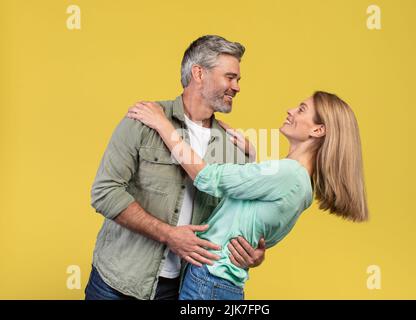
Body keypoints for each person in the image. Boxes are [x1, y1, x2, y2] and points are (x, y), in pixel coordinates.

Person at [126, 90, 370, 300]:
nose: (291, 110)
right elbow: (251, 224)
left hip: (209, 280)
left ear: (318, 129)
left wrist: (163, 125)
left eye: (302, 109)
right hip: (220, 284)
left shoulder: (287, 174)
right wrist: (252, 159)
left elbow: (206, 178)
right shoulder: (302, 184)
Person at [85, 35, 266, 300]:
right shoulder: (143, 119)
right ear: (199, 73)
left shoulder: (234, 147)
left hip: (182, 289)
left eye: (238, 80)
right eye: (230, 77)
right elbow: (104, 192)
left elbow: (239, 220)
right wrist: (169, 235)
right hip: (117, 282)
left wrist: (253, 252)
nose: (236, 87)